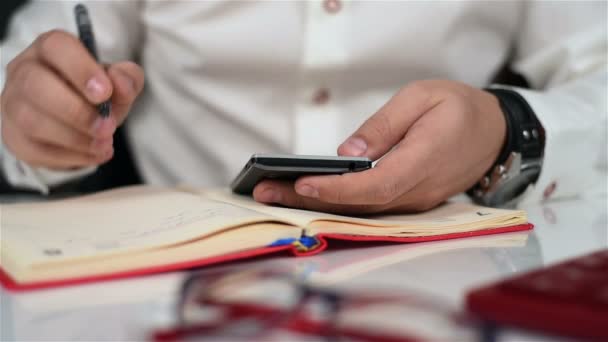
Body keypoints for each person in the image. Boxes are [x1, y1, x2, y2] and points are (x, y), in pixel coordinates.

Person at [0, 1, 605, 213]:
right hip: (170, 290)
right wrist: (35, 117)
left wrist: (509, 134)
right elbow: (31, 64)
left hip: (456, 279)